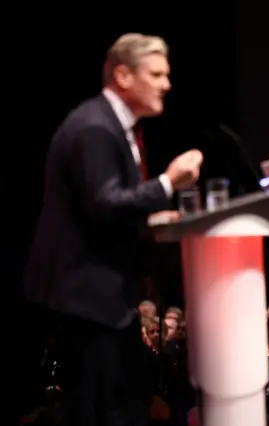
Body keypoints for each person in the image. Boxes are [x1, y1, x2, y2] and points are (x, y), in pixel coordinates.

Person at [23, 33, 203, 426]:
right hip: (88, 297)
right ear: (123, 76)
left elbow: (102, 205)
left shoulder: (112, 125)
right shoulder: (95, 128)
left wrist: (149, 219)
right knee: (102, 412)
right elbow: (103, 204)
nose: (166, 85)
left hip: (102, 297)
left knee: (124, 406)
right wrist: (168, 183)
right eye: (156, 74)